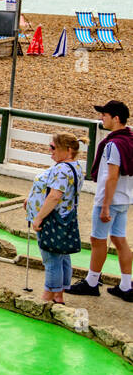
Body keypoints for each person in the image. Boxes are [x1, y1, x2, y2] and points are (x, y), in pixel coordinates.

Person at [68, 100, 133, 301]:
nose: (101, 118)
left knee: (98, 240)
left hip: (110, 200)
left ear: (116, 118)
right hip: (125, 198)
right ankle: (125, 285)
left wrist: (105, 206)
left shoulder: (114, 144)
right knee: (119, 239)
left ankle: (92, 282)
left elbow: (112, 176)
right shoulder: (130, 139)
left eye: (104, 115)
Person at [27, 133, 83, 304]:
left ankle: (49, 295)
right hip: (66, 217)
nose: (49, 151)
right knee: (62, 255)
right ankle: (59, 293)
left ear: (68, 150)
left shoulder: (61, 170)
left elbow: (54, 196)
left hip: (52, 219)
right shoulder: (76, 166)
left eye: (53, 147)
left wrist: (38, 218)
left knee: (51, 258)